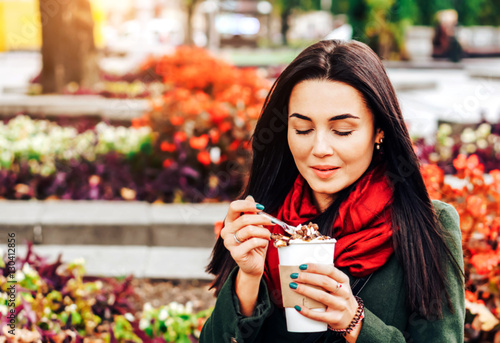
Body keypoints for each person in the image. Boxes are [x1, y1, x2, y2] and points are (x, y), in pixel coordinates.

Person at [200, 39, 465, 343]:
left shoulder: (428, 225)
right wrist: (248, 278)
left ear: (379, 130)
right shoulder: (266, 221)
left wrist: (356, 322)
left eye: (342, 131)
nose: (320, 149)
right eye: (302, 129)